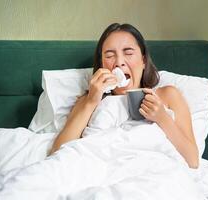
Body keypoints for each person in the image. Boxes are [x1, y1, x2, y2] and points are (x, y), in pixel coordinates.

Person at [49, 23, 199, 169]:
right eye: (109, 55)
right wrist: (91, 102)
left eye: (128, 53)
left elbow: (193, 161)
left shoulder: (167, 95)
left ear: (144, 60)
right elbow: (57, 153)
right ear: (101, 64)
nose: (119, 62)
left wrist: (162, 118)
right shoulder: (88, 101)